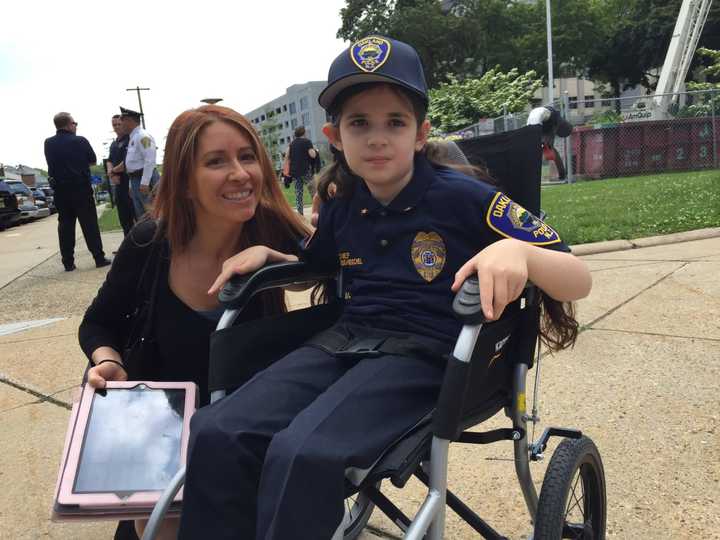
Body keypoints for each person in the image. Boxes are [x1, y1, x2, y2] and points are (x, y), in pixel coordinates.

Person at [178, 36, 592, 540]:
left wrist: (520, 252)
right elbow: (318, 266)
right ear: (335, 136)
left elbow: (578, 278)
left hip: (428, 355)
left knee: (303, 451)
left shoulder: (465, 197)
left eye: (394, 122)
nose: (377, 138)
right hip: (343, 344)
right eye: (359, 124)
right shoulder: (342, 203)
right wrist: (272, 256)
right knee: (215, 428)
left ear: (421, 134)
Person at [78, 105, 310, 540]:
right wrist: (107, 360)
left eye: (247, 156)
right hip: (164, 433)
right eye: (216, 161)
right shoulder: (149, 241)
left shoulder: (270, 224)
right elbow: (97, 323)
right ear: (184, 181)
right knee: (162, 522)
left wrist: (276, 261)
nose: (241, 173)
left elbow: (341, 263)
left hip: (250, 428)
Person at [44, 112, 111, 271]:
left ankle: (68, 262)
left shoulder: (48, 143)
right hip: (80, 188)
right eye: (75, 123)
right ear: (68, 125)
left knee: (65, 225)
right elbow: (92, 160)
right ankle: (99, 258)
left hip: (60, 190)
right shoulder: (80, 140)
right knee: (89, 224)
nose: (76, 126)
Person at [115, 107, 159, 218]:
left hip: (145, 180)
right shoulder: (133, 137)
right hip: (136, 180)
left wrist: (144, 182)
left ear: (130, 120)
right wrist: (131, 184)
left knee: (152, 216)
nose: (121, 124)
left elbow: (150, 160)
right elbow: (132, 165)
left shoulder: (142, 136)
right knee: (142, 217)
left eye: (122, 121)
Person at [106, 114, 135, 236]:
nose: (117, 127)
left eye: (119, 124)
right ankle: (128, 246)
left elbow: (128, 162)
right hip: (119, 185)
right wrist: (110, 173)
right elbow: (109, 160)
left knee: (136, 216)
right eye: (114, 125)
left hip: (131, 184)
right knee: (124, 218)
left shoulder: (131, 139)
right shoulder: (114, 144)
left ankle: (141, 247)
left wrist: (113, 172)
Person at [287, 125, 317, 214]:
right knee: (313, 191)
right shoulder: (307, 142)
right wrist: (316, 151)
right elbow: (312, 155)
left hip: (295, 173)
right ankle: (317, 211)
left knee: (298, 194)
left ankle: (300, 214)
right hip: (305, 171)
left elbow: (287, 156)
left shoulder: (291, 144)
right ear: (303, 132)